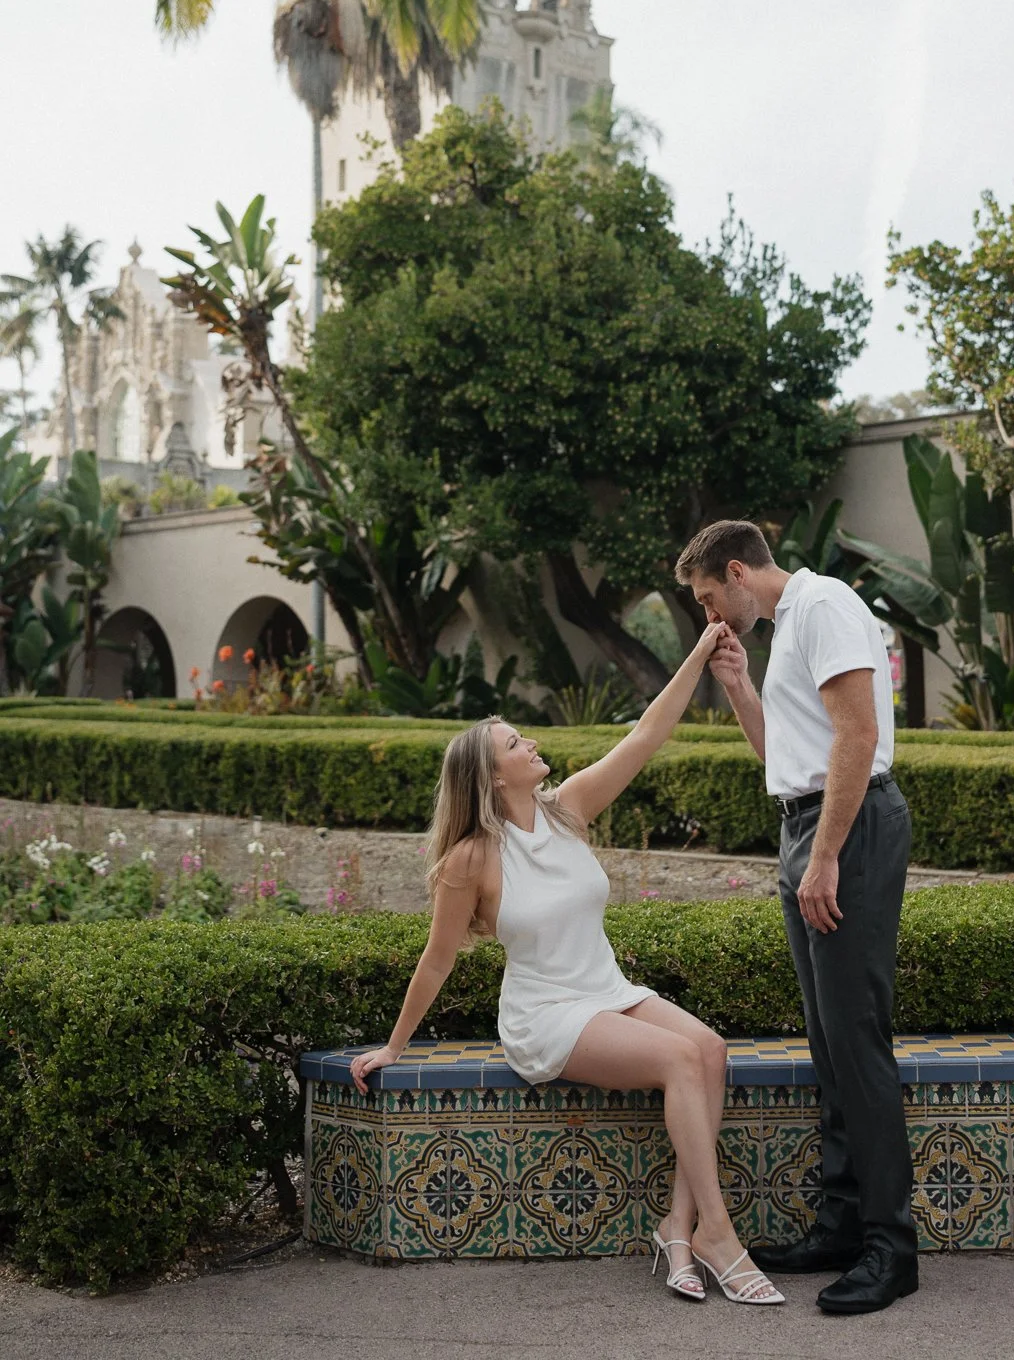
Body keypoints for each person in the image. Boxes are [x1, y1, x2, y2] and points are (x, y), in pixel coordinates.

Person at [349, 620, 782, 1308]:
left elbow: (645, 735)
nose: (531, 742)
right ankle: (718, 1235)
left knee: (708, 1050)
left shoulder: (568, 810)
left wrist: (699, 654)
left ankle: (678, 1226)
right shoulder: (470, 859)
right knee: (676, 1061)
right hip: (546, 1014)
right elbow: (436, 962)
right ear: (490, 775)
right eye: (515, 742)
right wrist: (394, 1048)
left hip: (606, 991)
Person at [675, 519, 919, 1317]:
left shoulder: (825, 605)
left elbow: (858, 735)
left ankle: (891, 1247)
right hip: (805, 824)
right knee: (827, 1040)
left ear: (738, 572)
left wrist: (825, 858)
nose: (709, 615)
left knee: (857, 1038)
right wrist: (740, 685)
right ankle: (843, 1225)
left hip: (843, 831)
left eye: (710, 598)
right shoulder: (785, 631)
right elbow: (785, 755)